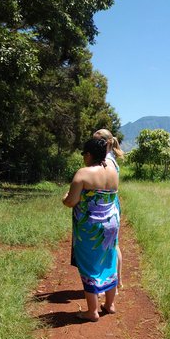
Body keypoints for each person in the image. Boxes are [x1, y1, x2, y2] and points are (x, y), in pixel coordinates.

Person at [63, 135, 121, 321]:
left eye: (83, 154)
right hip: (111, 224)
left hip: (90, 227)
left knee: (89, 265)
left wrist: (64, 197)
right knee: (109, 260)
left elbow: (71, 201)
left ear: (88, 154)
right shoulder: (113, 172)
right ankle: (109, 304)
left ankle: (91, 311)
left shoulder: (83, 173)